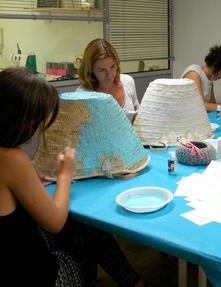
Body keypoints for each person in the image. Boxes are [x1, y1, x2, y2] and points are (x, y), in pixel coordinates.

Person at [0, 67, 148, 286]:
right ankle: (131, 282)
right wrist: (65, 175)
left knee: (84, 230)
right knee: (87, 233)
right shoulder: (12, 159)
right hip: (31, 272)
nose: (39, 127)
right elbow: (55, 222)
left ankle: (133, 282)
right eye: (38, 119)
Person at [77, 38, 139, 116]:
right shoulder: (82, 95)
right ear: (90, 70)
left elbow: (137, 118)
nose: (109, 75)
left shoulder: (128, 82)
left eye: (112, 66)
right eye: (102, 70)